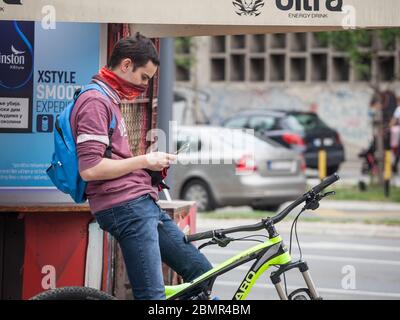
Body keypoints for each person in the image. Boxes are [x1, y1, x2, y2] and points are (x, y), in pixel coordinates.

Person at [70, 33, 212, 299]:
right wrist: (145, 160)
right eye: (144, 77)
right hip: (126, 208)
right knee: (152, 297)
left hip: (141, 202)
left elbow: (112, 159)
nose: (144, 85)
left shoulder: (109, 99)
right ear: (125, 65)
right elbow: (90, 168)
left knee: (201, 273)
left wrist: (148, 166)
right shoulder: (95, 102)